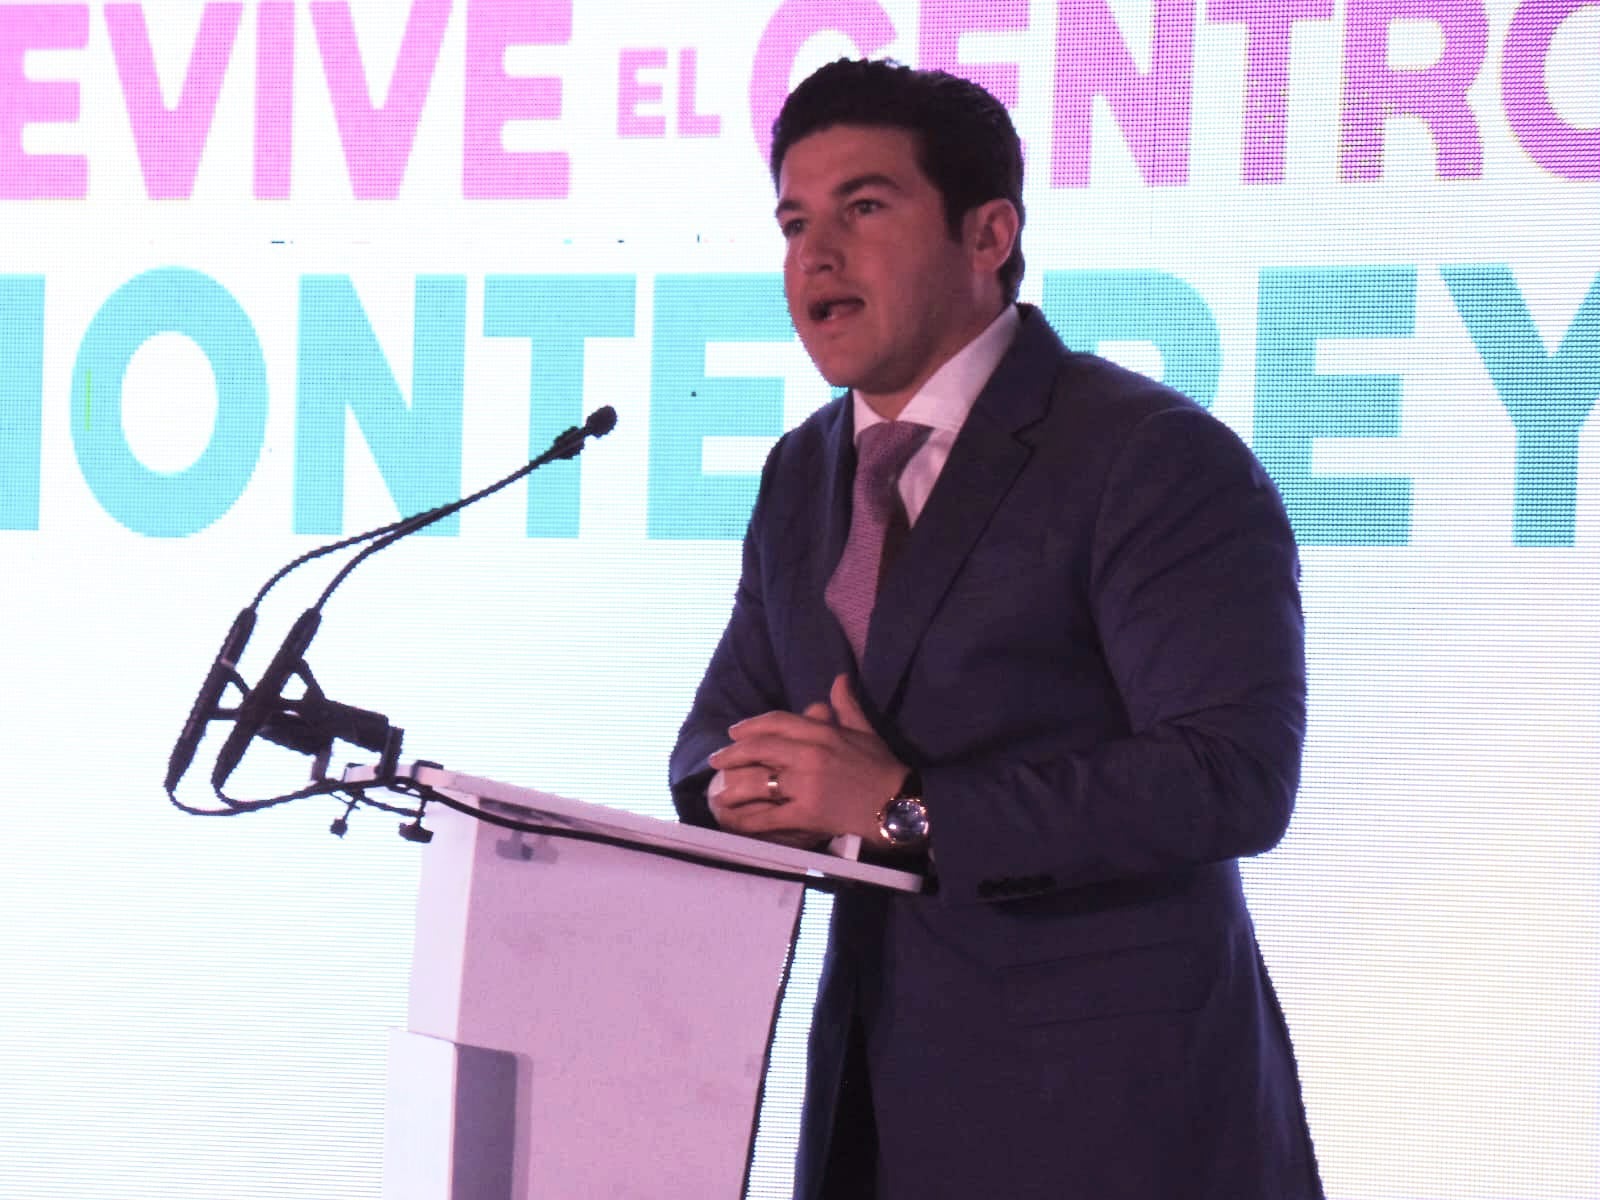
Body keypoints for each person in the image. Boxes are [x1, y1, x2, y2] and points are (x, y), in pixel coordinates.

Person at [670, 58, 1323, 1200]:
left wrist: (900, 809)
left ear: (987, 234)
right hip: (879, 1110)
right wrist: (744, 789)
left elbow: (1232, 775)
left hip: (1118, 1122)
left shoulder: (1147, 456)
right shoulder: (802, 471)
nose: (814, 256)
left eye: (863, 208)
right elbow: (715, 739)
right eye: (795, 222)